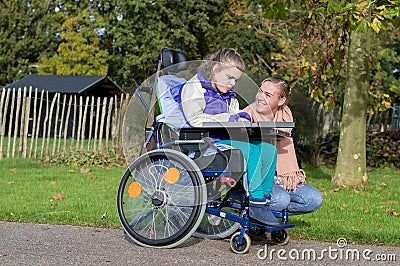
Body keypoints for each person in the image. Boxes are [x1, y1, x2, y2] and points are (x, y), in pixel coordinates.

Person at [180, 48, 280, 225]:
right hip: (205, 145)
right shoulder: (195, 86)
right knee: (252, 151)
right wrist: (230, 119)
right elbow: (194, 119)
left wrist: (244, 118)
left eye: (236, 80)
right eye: (230, 78)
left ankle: (264, 200)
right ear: (216, 70)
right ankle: (256, 202)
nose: (233, 83)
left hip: (226, 141)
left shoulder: (229, 96)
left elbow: (235, 114)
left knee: (269, 150)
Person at [244, 77, 322, 214]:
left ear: (281, 100)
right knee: (281, 199)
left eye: (267, 95)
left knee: (313, 199)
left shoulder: (287, 117)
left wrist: (290, 178)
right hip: (257, 180)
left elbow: (293, 153)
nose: (260, 98)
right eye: (260, 92)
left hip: (283, 179)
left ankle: (268, 214)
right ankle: (255, 214)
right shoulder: (246, 116)